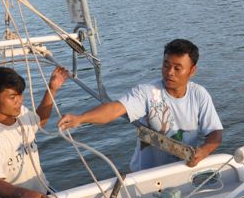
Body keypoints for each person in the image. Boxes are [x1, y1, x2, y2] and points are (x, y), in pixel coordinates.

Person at [58, 39, 222, 171]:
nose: (169, 72)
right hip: (146, 175)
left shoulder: (199, 95)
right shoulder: (147, 92)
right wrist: (81, 118)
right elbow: (115, 109)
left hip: (182, 170)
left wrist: (204, 151)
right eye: (166, 65)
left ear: (192, 71)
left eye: (177, 68)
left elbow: (215, 133)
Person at [0, 66, 68, 198]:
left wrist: (52, 89)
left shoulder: (20, 111)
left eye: (20, 95)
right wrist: (23, 193)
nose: (19, 101)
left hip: (43, 194)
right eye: (12, 97)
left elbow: (38, 122)